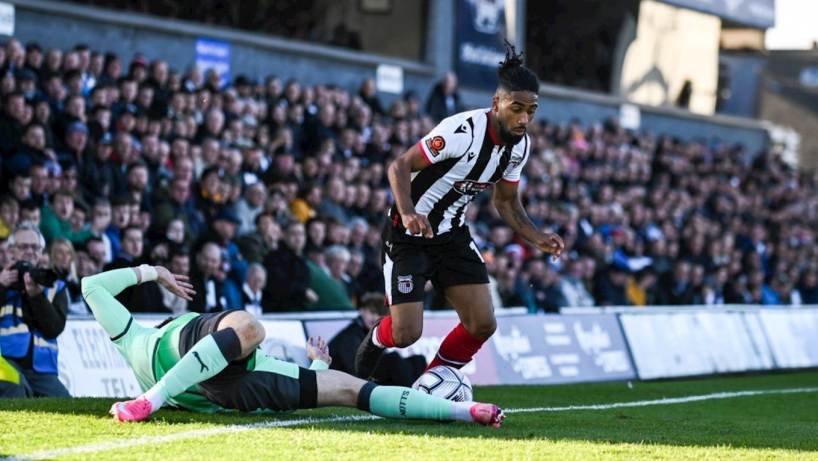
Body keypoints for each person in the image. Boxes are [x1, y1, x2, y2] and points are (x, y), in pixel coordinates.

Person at [355, 43, 564, 380]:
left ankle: (434, 380)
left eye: (532, 111)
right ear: (497, 103)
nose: (524, 118)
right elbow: (400, 165)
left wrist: (536, 236)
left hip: (452, 237)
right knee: (407, 334)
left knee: (483, 323)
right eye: (517, 108)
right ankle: (378, 337)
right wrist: (408, 212)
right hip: (408, 236)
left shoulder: (519, 146)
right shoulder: (461, 131)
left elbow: (506, 201)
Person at [80, 265, 503, 427]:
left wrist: (316, 367)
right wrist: (152, 271)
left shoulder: (129, 340)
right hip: (198, 354)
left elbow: (91, 287)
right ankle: (149, 402)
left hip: (225, 387)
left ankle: (465, 412)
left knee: (352, 388)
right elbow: (91, 285)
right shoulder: (141, 336)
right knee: (248, 326)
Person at [0, 222, 70, 398]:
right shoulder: (1, 281)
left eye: (35, 247)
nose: (29, 251)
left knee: (65, 403)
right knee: (16, 387)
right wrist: (2, 286)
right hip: (6, 360)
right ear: (10, 251)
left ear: (41, 252)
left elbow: (54, 328)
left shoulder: (55, 285)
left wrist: (37, 296)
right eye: (23, 247)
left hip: (42, 368)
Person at [329, 293, 425, 387]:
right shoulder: (350, 336)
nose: (375, 317)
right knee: (392, 359)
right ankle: (411, 394)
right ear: (362, 311)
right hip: (348, 382)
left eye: (380, 313)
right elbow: (356, 371)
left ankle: (422, 391)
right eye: (372, 312)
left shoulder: (371, 332)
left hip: (366, 375)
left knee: (418, 360)